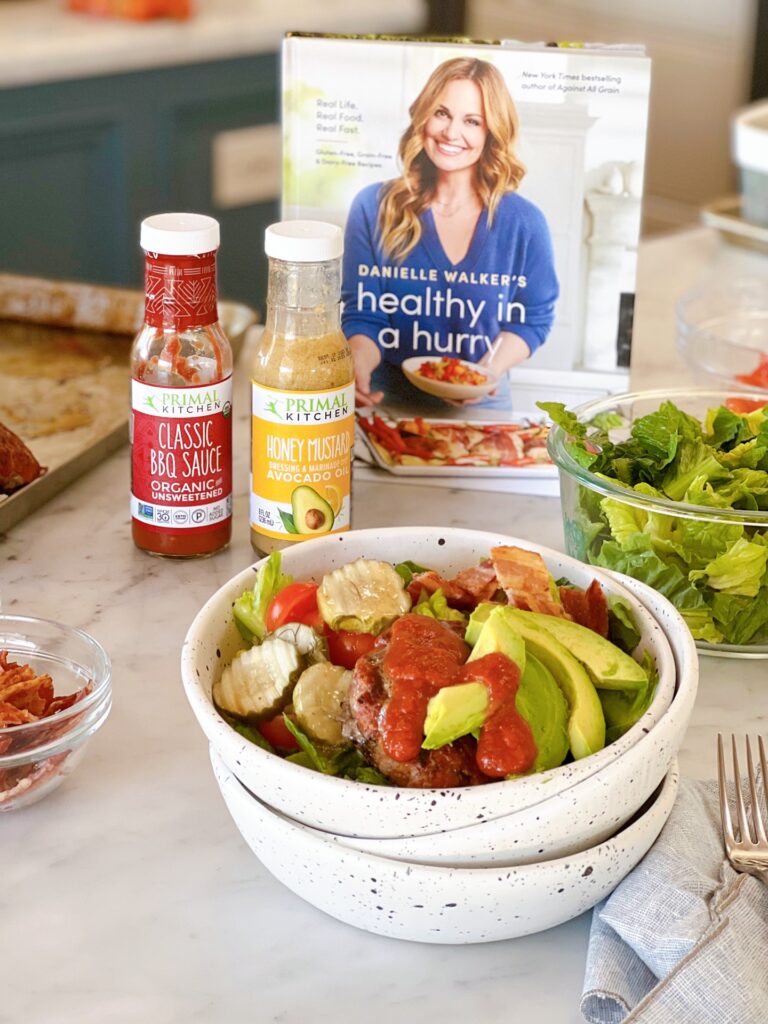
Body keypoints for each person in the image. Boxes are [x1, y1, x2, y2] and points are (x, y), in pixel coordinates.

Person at [341, 56, 559, 409]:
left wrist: (482, 375)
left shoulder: (526, 223)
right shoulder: (373, 206)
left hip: (482, 405)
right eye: (442, 113)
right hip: (387, 401)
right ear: (423, 115)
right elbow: (364, 314)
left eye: (472, 121)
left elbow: (534, 319)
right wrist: (357, 366)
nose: (451, 133)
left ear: (491, 132)